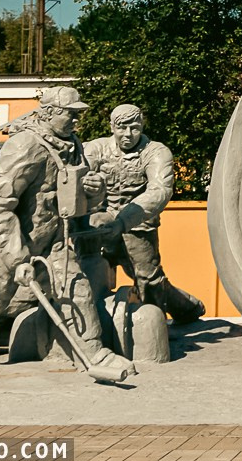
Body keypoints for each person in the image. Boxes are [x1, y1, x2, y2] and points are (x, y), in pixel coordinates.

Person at [0, 86, 128, 380]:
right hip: (15, 245)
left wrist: (95, 191)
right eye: (71, 114)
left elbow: (77, 200)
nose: (76, 121)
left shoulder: (71, 144)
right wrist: (17, 258)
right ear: (51, 113)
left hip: (53, 241)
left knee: (75, 289)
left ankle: (94, 354)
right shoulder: (26, 146)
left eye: (78, 115)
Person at [83, 103, 206, 324]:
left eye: (134, 127)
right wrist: (87, 183)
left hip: (138, 226)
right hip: (100, 225)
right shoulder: (95, 149)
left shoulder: (156, 152)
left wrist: (122, 221)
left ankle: (164, 321)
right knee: (88, 272)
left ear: (142, 125)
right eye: (122, 128)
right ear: (111, 127)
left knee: (148, 280)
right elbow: (74, 172)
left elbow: (159, 190)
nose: (128, 134)